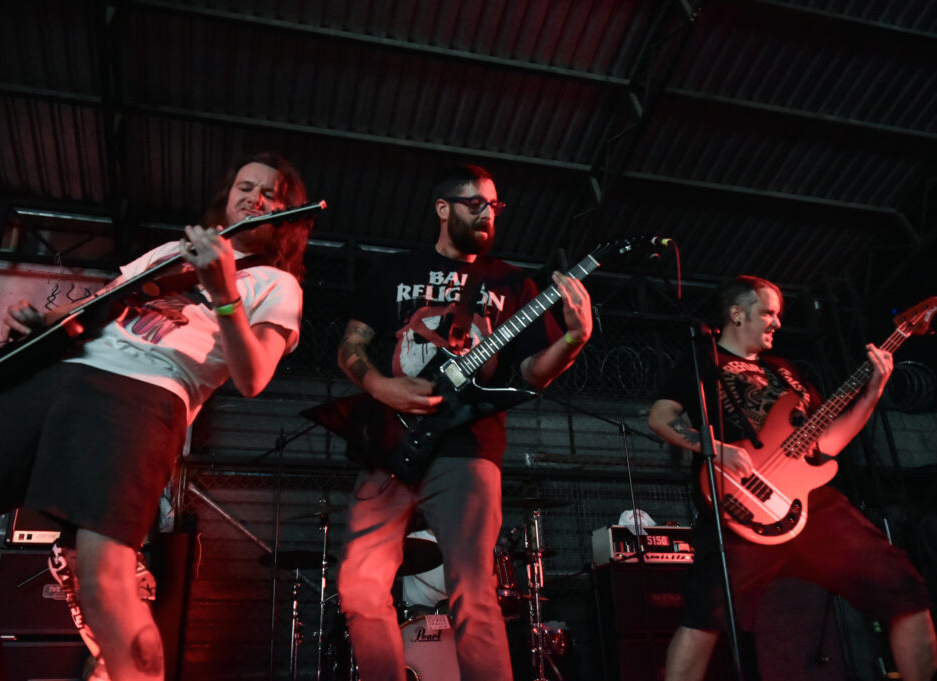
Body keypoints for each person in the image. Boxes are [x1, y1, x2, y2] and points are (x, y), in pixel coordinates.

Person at [0, 152, 313, 681]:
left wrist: (223, 296)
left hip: (143, 397)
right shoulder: (171, 251)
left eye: (270, 195)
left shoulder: (276, 285)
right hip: (56, 375)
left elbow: (253, 376)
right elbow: (100, 306)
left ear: (283, 218)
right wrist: (42, 321)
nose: (253, 199)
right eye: (245, 186)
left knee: (106, 585)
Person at [334, 163, 592, 681]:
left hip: (469, 449)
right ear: (443, 207)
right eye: (475, 203)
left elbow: (530, 373)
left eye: (494, 205)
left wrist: (572, 341)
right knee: (359, 588)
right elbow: (351, 346)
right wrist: (382, 386)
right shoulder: (391, 271)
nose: (488, 213)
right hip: (389, 445)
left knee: (473, 591)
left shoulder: (514, 283)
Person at [647, 275, 937, 681]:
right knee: (705, 615)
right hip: (740, 502)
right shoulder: (703, 362)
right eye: (768, 312)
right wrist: (714, 448)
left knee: (906, 591)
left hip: (810, 504)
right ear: (736, 314)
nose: (777, 323)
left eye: (779, 315)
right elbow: (660, 417)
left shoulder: (785, 371)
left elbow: (828, 444)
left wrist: (872, 392)